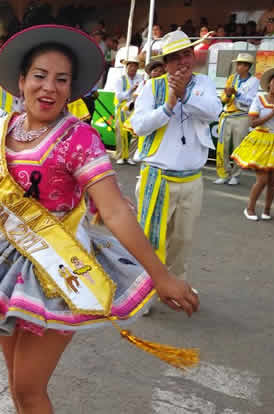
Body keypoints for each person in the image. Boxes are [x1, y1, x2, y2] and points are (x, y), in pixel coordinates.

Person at [0, 25, 199, 414]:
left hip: (60, 268)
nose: (50, 88)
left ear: (71, 88)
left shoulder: (79, 138)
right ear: (21, 81)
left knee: (28, 387)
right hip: (7, 264)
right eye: (40, 76)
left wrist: (161, 277)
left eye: (62, 80)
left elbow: (112, 211)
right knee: (16, 384)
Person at [131, 30, 222, 281]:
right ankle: (146, 287)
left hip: (192, 179)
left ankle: (176, 284)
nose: (183, 61)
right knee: (150, 236)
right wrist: (168, 107)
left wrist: (185, 95)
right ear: (166, 62)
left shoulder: (203, 84)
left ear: (193, 56)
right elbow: (138, 126)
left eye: (187, 54)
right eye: (176, 57)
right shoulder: (152, 86)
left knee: (183, 238)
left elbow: (213, 112)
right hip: (157, 176)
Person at [232, 67, 274, 221]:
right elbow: (253, 123)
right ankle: (250, 208)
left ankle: (267, 210)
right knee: (263, 179)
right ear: (269, 84)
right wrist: (272, 114)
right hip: (261, 140)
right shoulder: (259, 99)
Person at [214, 53, 260, 185]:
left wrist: (236, 93)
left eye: (241, 64)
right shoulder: (232, 78)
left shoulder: (254, 82)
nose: (238, 66)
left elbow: (250, 101)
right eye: (238, 64)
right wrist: (227, 95)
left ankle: (236, 175)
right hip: (227, 115)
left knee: (238, 146)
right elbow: (224, 99)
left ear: (247, 67)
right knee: (222, 146)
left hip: (242, 116)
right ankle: (223, 173)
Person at [110, 55, 145, 165]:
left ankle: (129, 156)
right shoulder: (120, 79)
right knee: (121, 133)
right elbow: (119, 96)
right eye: (131, 66)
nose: (133, 68)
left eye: (135, 66)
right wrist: (131, 90)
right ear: (127, 67)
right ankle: (120, 156)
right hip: (122, 109)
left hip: (135, 107)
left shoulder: (141, 78)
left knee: (134, 132)